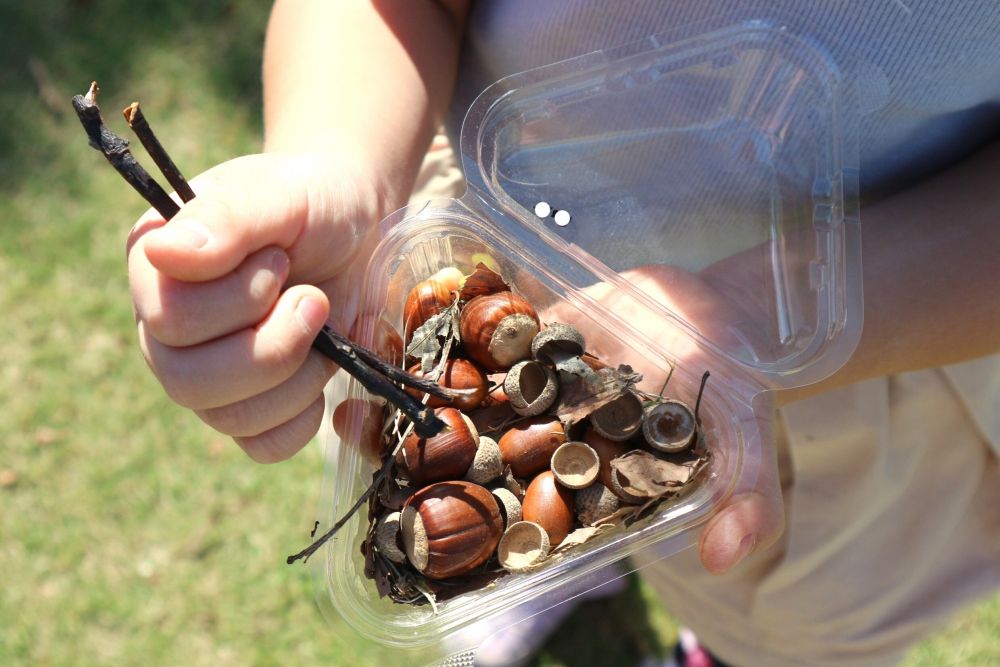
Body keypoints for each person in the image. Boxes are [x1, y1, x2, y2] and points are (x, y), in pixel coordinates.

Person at [126, 2, 1000, 665]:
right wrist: (339, 165)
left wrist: (744, 316)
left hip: (893, 330)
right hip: (502, 249)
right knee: (546, 481)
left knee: (794, 609)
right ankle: (524, 556)